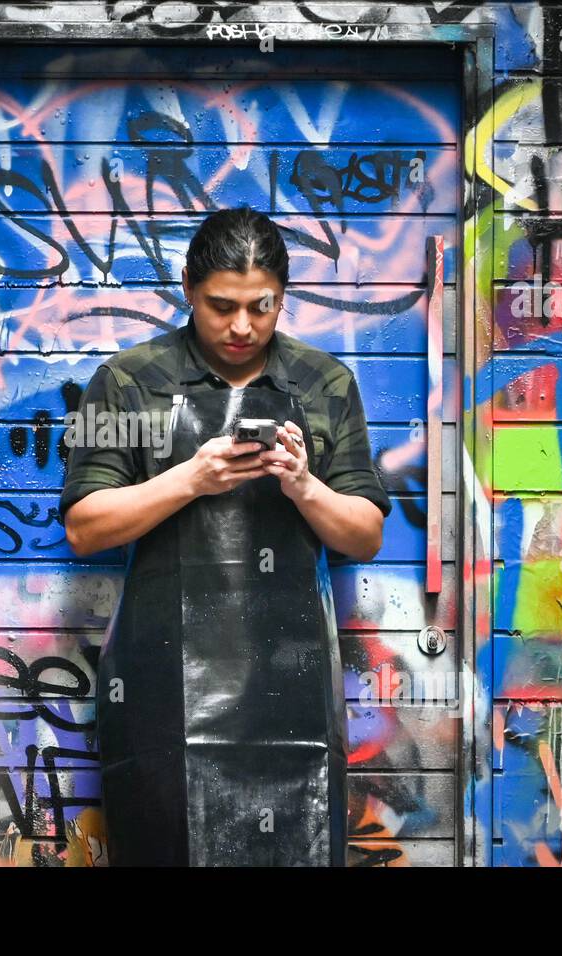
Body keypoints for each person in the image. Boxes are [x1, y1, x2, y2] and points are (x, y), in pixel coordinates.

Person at [60, 206, 392, 866]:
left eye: (260, 307)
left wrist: (303, 485)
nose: (241, 326)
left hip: (292, 698)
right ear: (187, 288)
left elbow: (365, 537)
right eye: (220, 306)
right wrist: (191, 478)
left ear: (284, 296)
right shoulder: (127, 382)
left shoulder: (325, 383)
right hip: (161, 696)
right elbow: (83, 527)